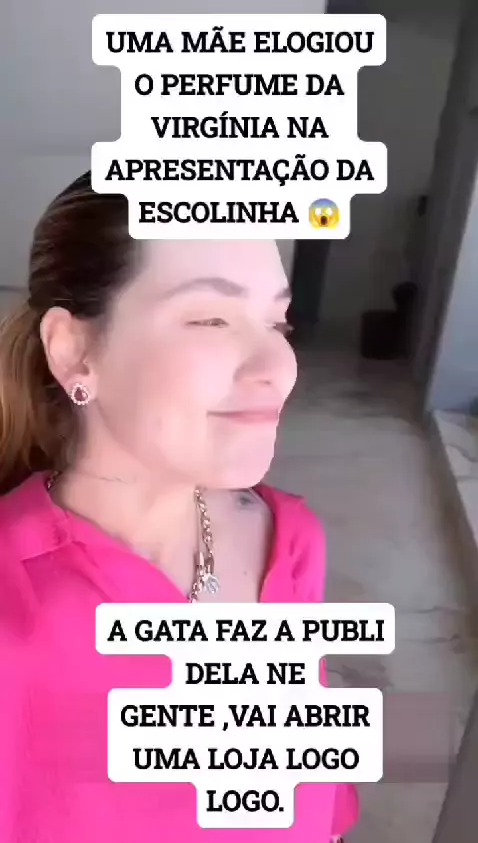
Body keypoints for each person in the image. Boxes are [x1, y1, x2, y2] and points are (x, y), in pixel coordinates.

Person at [0, 172, 359, 843]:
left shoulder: (290, 542)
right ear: (75, 351)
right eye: (211, 319)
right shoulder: (13, 606)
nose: (278, 366)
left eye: (277, 322)